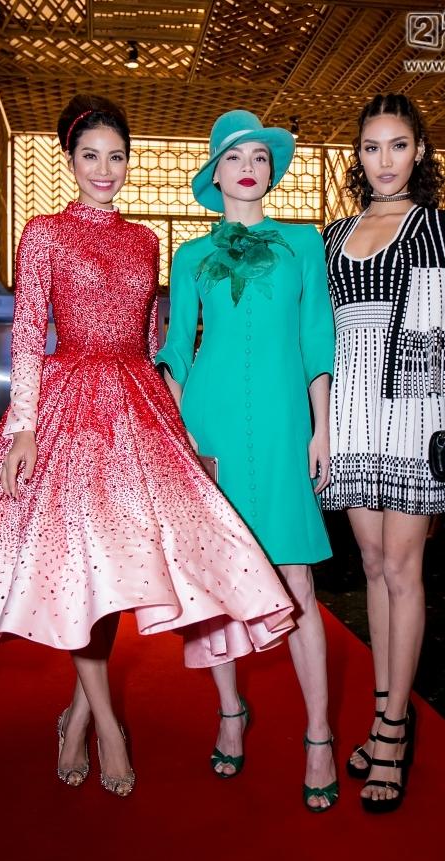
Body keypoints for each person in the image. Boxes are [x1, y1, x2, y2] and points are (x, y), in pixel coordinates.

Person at [0, 95, 296, 796]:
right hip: (67, 411)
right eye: (90, 155)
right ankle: (106, 727)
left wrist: (176, 418)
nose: (103, 169)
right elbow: (28, 332)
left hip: (136, 408)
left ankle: (78, 714)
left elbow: (149, 337)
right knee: (80, 569)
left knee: (119, 573)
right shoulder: (43, 233)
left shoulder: (145, 240)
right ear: (69, 159)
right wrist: (23, 426)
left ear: (127, 162)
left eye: (116, 156)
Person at [320, 93, 445, 813]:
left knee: (404, 570)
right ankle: (384, 709)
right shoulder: (333, 234)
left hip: (411, 398)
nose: (385, 161)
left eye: (398, 145)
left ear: (419, 151)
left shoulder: (438, 228)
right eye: (372, 147)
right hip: (351, 407)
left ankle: (393, 730)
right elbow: (319, 334)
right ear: (358, 155)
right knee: (372, 565)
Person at [156, 110, 338, 811]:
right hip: (211, 424)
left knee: (297, 582)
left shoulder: (303, 242)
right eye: (234, 156)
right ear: (215, 172)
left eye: (260, 156)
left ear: (270, 171)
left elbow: (316, 335)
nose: (248, 167)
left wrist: (322, 426)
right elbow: (178, 345)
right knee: (218, 584)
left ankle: (318, 734)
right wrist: (176, 425)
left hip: (288, 424)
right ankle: (231, 710)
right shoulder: (191, 255)